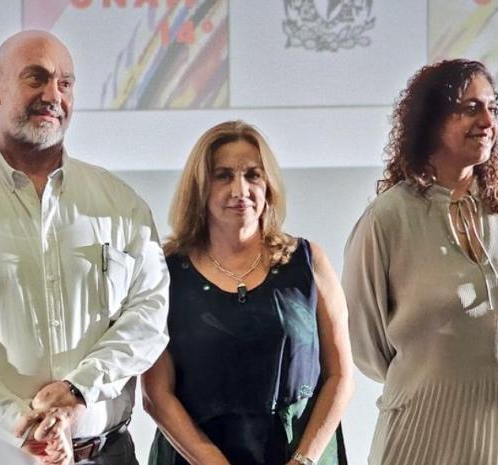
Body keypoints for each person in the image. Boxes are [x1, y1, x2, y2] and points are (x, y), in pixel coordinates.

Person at [0, 30, 170, 465]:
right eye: (36, 78)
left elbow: (149, 315)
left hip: (102, 455)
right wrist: (18, 423)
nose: (52, 95)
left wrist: (78, 392)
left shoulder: (121, 205)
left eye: (65, 83)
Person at [342, 59, 498, 465]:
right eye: (470, 108)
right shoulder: (387, 218)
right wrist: (435, 378)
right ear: (431, 120)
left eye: (493, 108)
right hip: (425, 434)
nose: (488, 121)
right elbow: (366, 345)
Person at [142, 121, 354, 465]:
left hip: (300, 455)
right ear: (200, 187)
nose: (240, 189)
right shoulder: (166, 272)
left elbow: (340, 376)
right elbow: (156, 394)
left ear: (268, 185)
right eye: (223, 176)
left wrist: (304, 460)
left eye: (253, 175)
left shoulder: (308, 261)